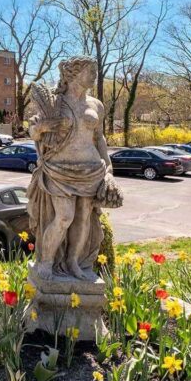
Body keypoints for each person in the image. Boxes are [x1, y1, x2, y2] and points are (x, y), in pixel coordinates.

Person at [27, 56, 122, 280]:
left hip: (90, 171)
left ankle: (74, 262)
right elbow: (33, 132)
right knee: (63, 217)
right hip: (59, 171)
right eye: (90, 71)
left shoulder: (95, 104)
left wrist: (108, 169)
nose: (94, 75)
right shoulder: (54, 102)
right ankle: (47, 261)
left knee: (84, 220)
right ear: (74, 74)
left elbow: (99, 139)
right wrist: (41, 127)